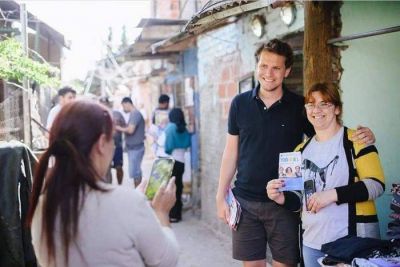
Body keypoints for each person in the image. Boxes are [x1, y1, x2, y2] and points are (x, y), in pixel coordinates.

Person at [216, 39, 375, 267]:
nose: (268, 73)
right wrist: (220, 196)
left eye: (276, 67)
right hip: (245, 201)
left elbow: (328, 134)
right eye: (263, 66)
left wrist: (362, 136)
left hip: (285, 202)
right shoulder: (239, 104)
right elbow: (230, 152)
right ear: (257, 66)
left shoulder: (299, 106)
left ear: (287, 71)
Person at [27, 100, 179, 267]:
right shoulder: (127, 203)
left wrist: (134, 199)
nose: (113, 146)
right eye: (112, 139)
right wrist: (162, 213)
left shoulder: (42, 206)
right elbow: (166, 260)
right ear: (101, 144)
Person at [266, 82, 385, 267]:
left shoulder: (358, 140)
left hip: (351, 244)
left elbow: (376, 185)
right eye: (311, 104)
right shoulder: (299, 150)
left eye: (325, 104)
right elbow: (298, 201)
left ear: (337, 109)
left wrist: (331, 195)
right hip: (311, 243)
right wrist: (280, 197)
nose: (317, 109)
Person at [160, 108, 191, 222]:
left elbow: (166, 147)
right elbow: (187, 144)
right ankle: (177, 214)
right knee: (178, 188)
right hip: (181, 162)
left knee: (170, 189)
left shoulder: (170, 127)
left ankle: (171, 213)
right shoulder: (184, 129)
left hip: (170, 161)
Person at [116, 97, 146, 187]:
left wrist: (117, 128)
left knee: (135, 173)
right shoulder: (134, 114)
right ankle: (138, 191)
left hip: (136, 148)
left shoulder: (135, 114)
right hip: (133, 148)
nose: (123, 108)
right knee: (135, 172)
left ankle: (139, 193)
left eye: (123, 106)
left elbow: (130, 130)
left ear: (127, 103)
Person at [99, 96, 126, 184]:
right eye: (102, 103)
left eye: (105, 103)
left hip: (117, 145)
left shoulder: (117, 114)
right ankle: (109, 188)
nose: (104, 105)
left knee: (119, 167)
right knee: (106, 168)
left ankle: (119, 186)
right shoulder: (96, 115)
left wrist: (117, 128)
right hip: (104, 146)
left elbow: (125, 126)